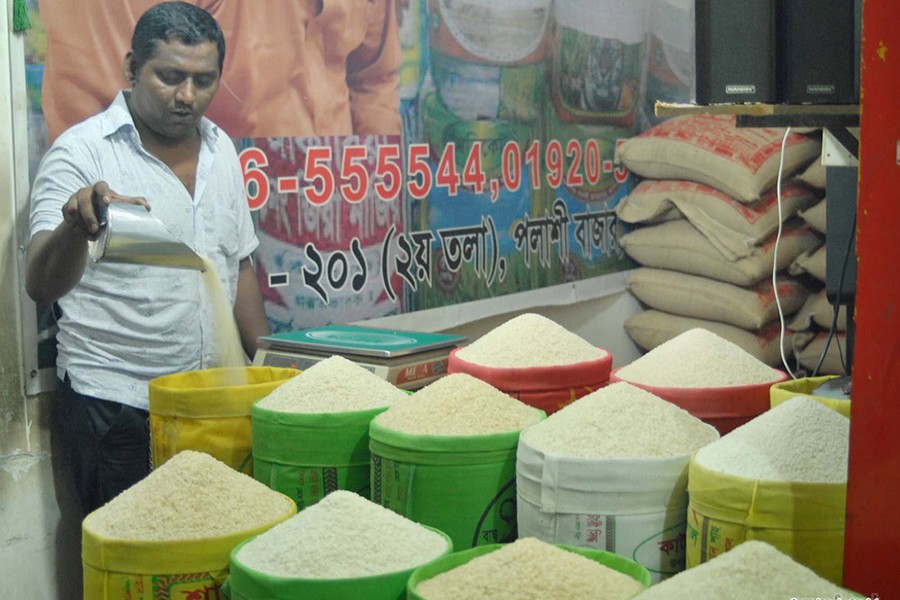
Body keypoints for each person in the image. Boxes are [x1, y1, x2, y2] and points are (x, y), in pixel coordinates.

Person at [25, 1, 270, 515]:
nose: (187, 96)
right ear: (132, 68)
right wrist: (76, 226)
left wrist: (268, 366)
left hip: (210, 404)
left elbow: (238, 263)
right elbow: (41, 285)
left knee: (206, 559)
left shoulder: (221, 148)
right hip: (119, 409)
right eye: (170, 76)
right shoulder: (82, 154)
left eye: (204, 81)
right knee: (137, 567)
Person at [36, 0, 403, 141]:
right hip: (203, 226)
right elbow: (99, 127)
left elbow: (373, 78)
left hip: (344, 213)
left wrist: (378, 189)